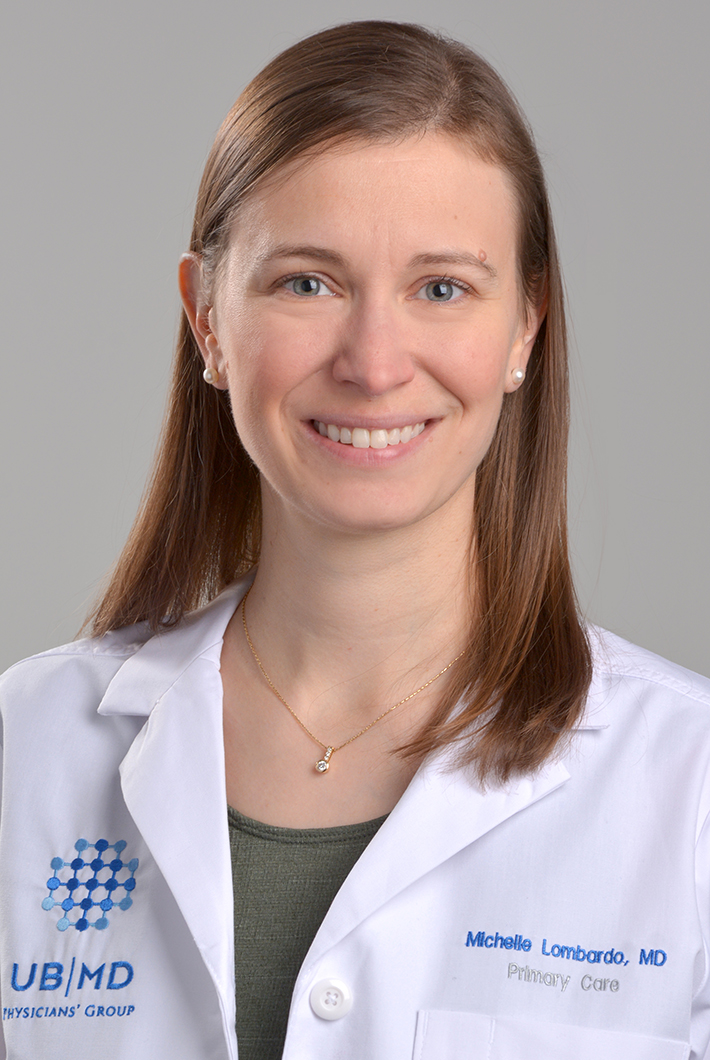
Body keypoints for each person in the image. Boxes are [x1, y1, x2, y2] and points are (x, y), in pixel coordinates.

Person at [1, 18, 709, 1060]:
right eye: (307, 282)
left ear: (523, 328)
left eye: (441, 288)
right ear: (207, 321)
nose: (374, 364)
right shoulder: (23, 753)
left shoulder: (688, 789)